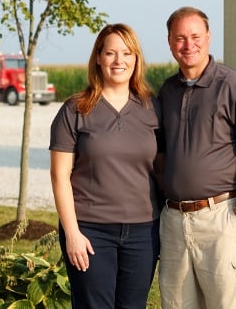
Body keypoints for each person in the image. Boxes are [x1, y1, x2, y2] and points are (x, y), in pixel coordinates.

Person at [157, 6, 236, 308]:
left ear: (208, 38)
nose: (188, 44)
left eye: (195, 36)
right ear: (169, 42)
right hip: (173, 224)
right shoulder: (167, 91)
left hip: (220, 219)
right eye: (180, 38)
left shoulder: (234, 87)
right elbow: (159, 154)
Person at [49, 23, 162, 309]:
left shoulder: (153, 109)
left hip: (143, 233)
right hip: (90, 231)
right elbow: (59, 176)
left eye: (126, 53)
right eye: (110, 53)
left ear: (136, 59)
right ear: (98, 57)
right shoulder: (75, 110)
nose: (118, 61)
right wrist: (72, 233)